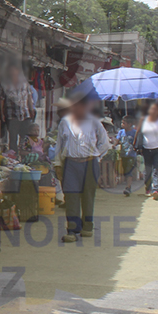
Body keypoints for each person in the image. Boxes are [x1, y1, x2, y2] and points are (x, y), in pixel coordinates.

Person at [53, 84, 110, 242]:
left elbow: (105, 143)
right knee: (71, 196)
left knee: (88, 195)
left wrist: (96, 156)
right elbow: (59, 145)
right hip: (70, 163)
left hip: (90, 163)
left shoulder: (94, 122)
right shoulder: (65, 123)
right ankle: (72, 230)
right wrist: (58, 164)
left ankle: (87, 226)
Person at [0, 64, 35, 151]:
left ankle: (24, 154)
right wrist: (1, 113)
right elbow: (1, 99)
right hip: (11, 115)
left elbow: (29, 98)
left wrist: (32, 110)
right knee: (13, 138)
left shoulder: (25, 83)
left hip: (25, 114)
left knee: (25, 137)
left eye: (14, 71)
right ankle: (13, 155)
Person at [139, 101, 158, 200]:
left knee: (156, 170)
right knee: (148, 170)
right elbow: (138, 132)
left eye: (156, 109)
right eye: (152, 109)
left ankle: (156, 190)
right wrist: (135, 145)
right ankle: (148, 188)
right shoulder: (143, 120)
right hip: (146, 149)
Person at [116, 116, 139, 196]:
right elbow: (117, 140)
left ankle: (128, 187)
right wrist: (114, 145)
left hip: (131, 155)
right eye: (122, 123)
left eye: (124, 123)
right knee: (125, 171)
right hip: (123, 155)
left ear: (130, 124)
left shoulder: (134, 132)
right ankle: (128, 186)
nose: (122, 124)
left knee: (128, 171)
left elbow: (137, 142)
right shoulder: (121, 132)